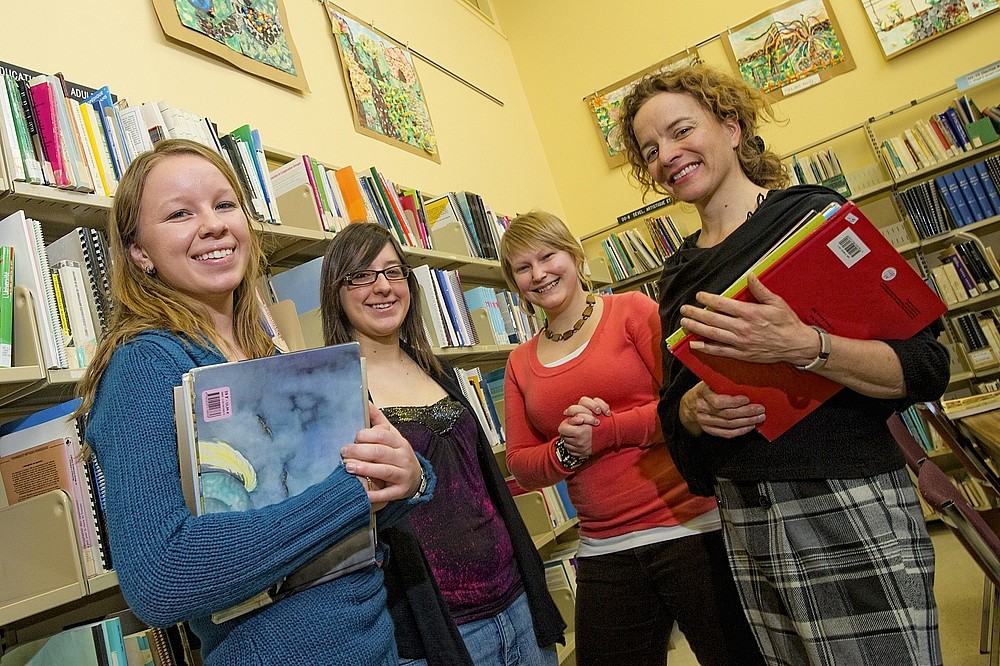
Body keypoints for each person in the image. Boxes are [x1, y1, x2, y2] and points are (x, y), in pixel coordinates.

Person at [618, 64, 950, 665]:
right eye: (650, 149)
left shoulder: (811, 218)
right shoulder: (676, 278)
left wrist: (807, 347)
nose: (667, 154)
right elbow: (675, 409)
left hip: (845, 497)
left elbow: (926, 365)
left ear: (732, 125)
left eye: (681, 130)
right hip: (746, 517)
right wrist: (693, 410)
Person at [77, 139, 430, 666]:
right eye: (179, 213)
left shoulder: (268, 350)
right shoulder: (143, 367)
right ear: (139, 253)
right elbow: (160, 578)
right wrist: (353, 494)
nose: (213, 224)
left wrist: (411, 477)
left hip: (372, 642)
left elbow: (339, 508)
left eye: (224, 204)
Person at [499, 211, 763, 666]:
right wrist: (568, 448)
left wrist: (607, 432)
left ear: (574, 254)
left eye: (548, 256)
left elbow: (688, 408)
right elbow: (521, 462)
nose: (539, 274)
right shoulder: (519, 362)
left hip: (690, 529)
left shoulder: (632, 311)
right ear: (513, 282)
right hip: (603, 549)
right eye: (523, 268)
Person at [319, 222, 566, 666]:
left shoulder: (439, 371)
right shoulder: (335, 398)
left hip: (516, 601)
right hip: (439, 632)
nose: (382, 287)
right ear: (336, 291)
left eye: (394, 272)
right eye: (361, 274)